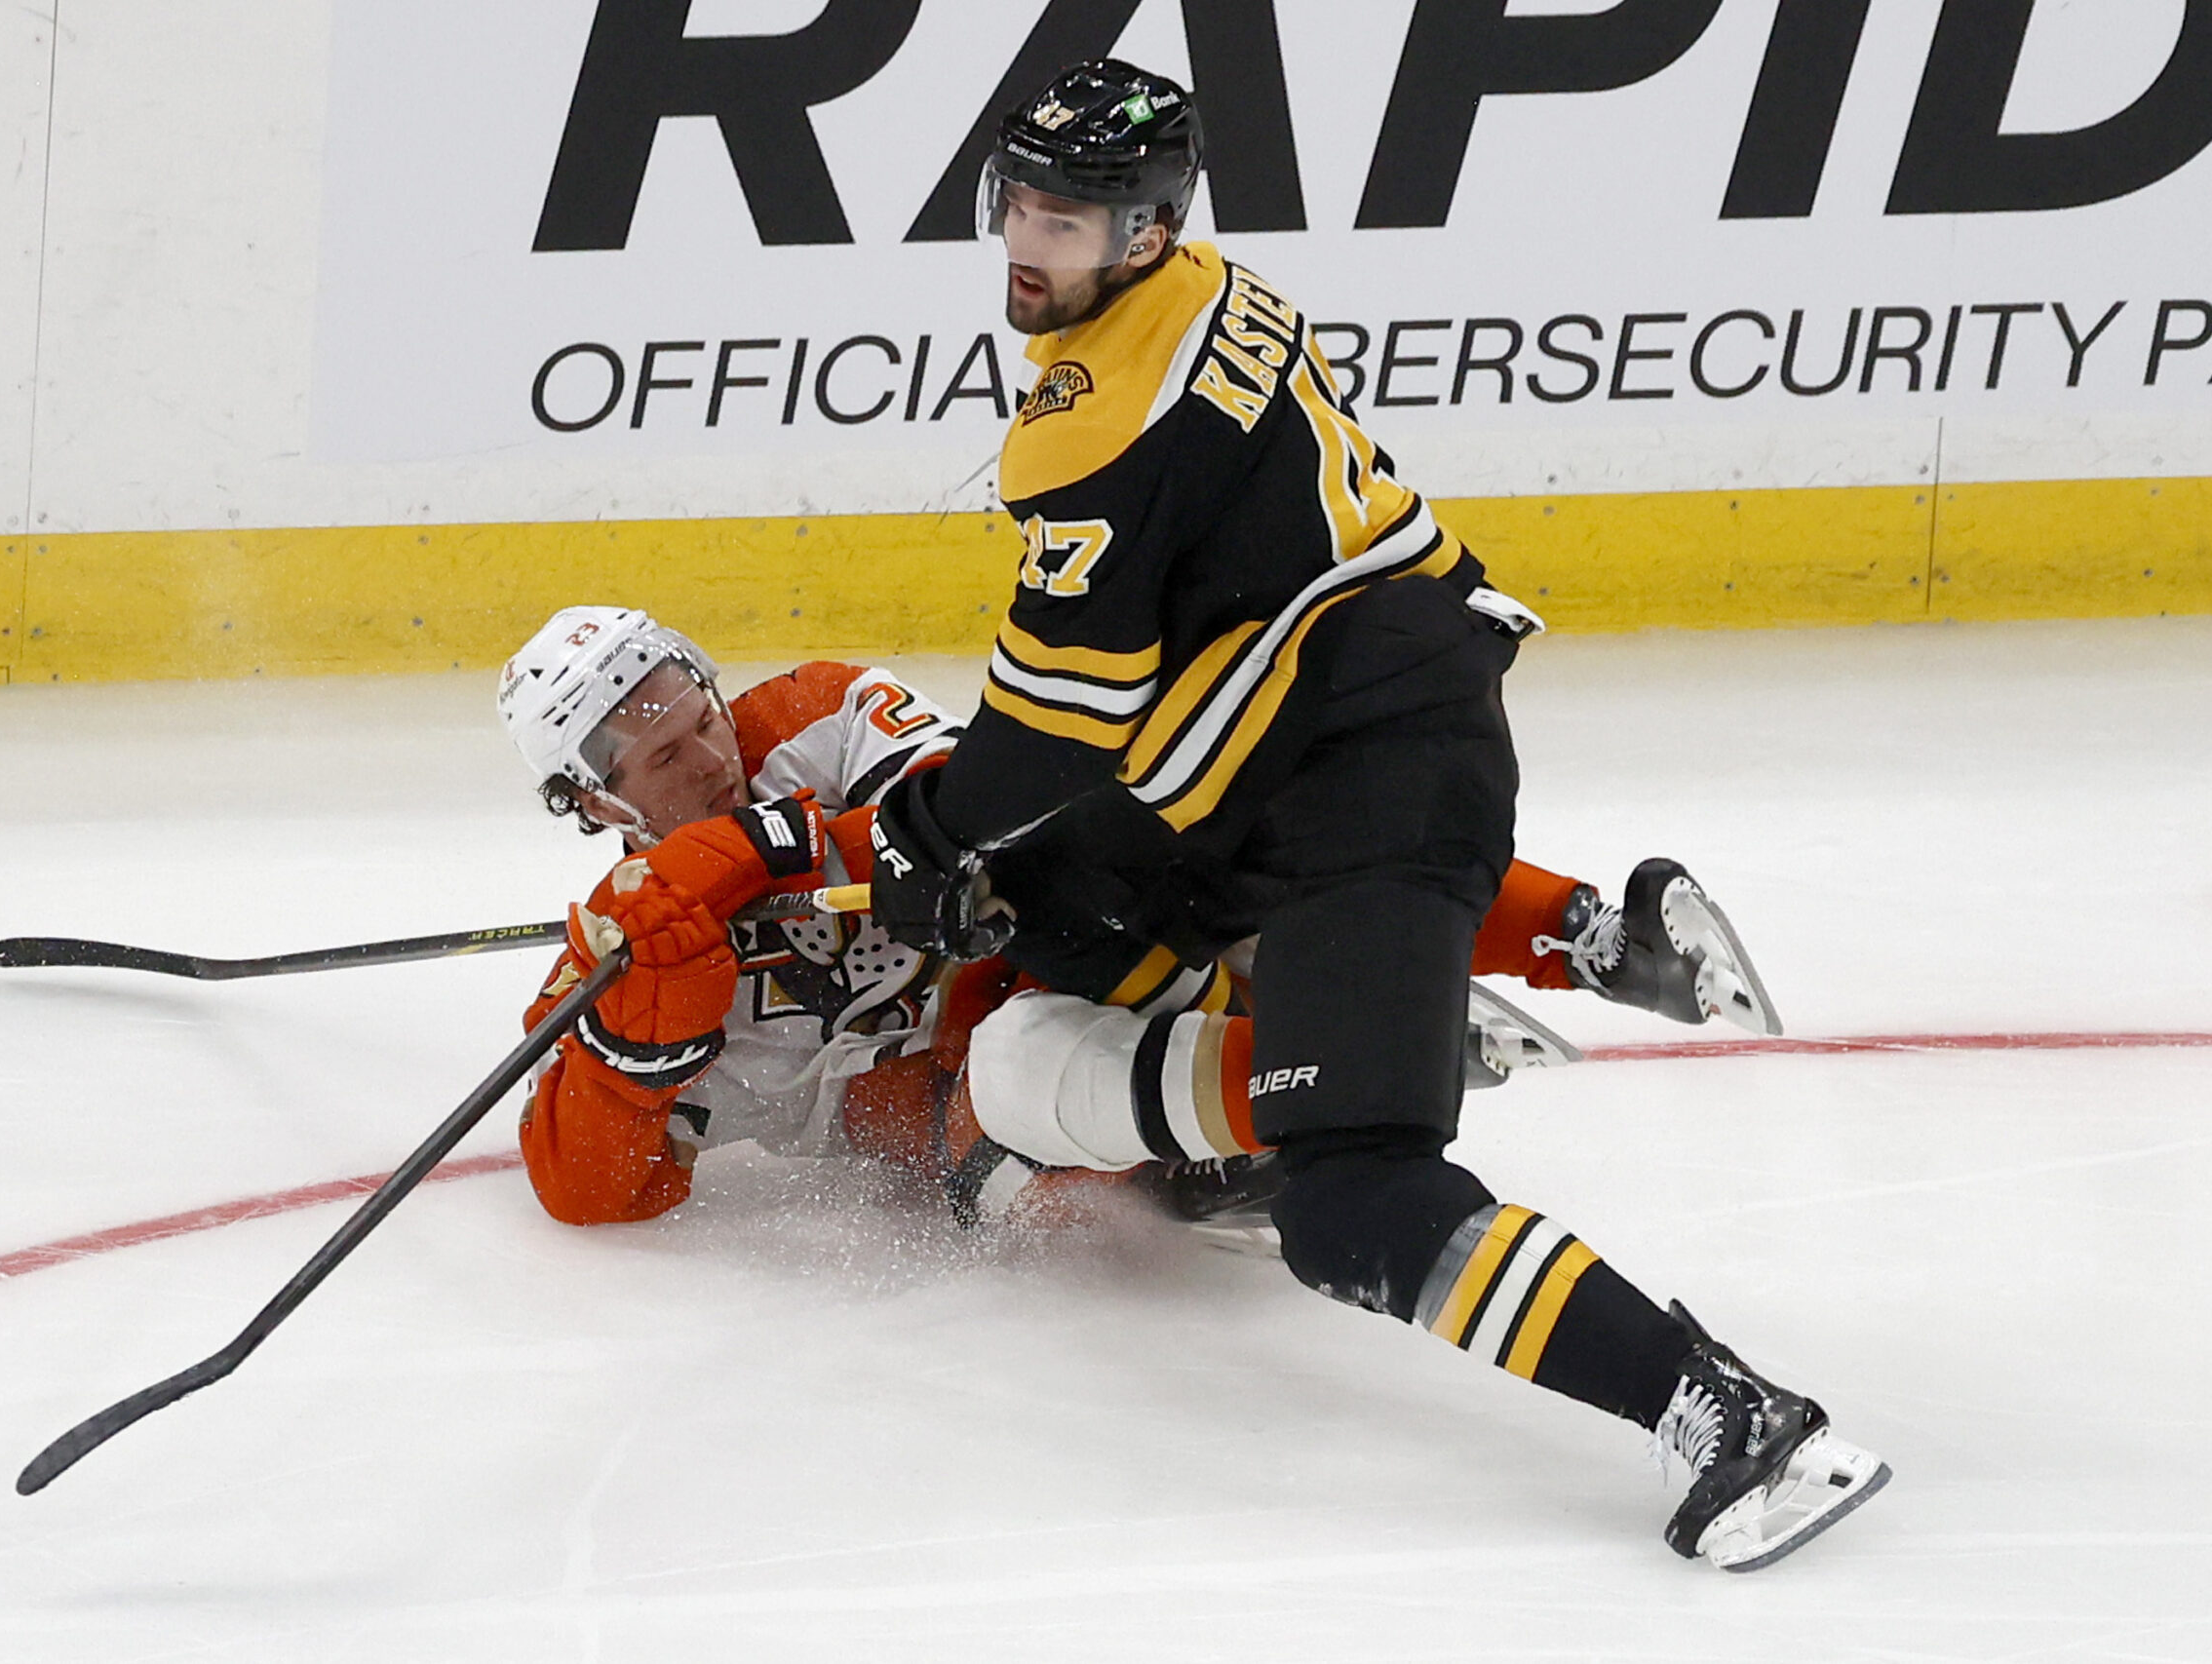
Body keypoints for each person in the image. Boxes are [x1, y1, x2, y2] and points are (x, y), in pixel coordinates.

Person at [862, 60, 1885, 1570]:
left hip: (1365, 770)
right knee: (1075, 912)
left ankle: (1730, 1418)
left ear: (1145, 230)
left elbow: (1059, 725)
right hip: (1313, 723)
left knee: (1360, 1211)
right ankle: (1419, 1026)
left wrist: (930, 836)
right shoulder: (1218, 288)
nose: (1031, 238)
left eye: (1069, 219)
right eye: (1018, 201)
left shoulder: (1099, 423)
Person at [494, 604, 1775, 1233]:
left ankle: (1592, 937)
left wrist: (754, 841)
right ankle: (1299, 1092)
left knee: (1189, 821)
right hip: (965, 1126)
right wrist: (647, 1022)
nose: (712, 755)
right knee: (1007, 1073)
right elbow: (584, 1188)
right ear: (595, 800)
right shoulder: (623, 953)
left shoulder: (809, 720)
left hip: (1048, 948)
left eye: (702, 712)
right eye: (663, 763)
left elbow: (975, 808)